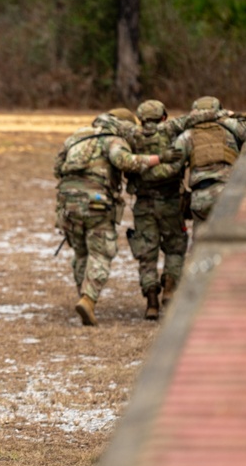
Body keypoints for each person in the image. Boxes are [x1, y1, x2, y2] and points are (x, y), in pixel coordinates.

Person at [54, 111, 181, 326]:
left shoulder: (77, 136)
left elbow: (58, 168)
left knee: (81, 252)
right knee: (100, 252)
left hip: (68, 204)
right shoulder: (114, 140)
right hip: (97, 204)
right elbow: (125, 161)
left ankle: (83, 294)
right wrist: (159, 158)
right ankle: (88, 299)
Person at [125, 99, 189, 320]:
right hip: (171, 202)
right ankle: (170, 289)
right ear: (163, 117)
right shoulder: (173, 133)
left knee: (146, 253)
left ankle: (151, 300)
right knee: (175, 247)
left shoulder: (131, 137)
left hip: (143, 204)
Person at [172, 96, 246, 225]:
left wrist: (183, 196)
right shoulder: (231, 130)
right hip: (229, 192)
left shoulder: (187, 136)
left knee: (201, 241)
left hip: (201, 197)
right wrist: (231, 116)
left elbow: (172, 168)